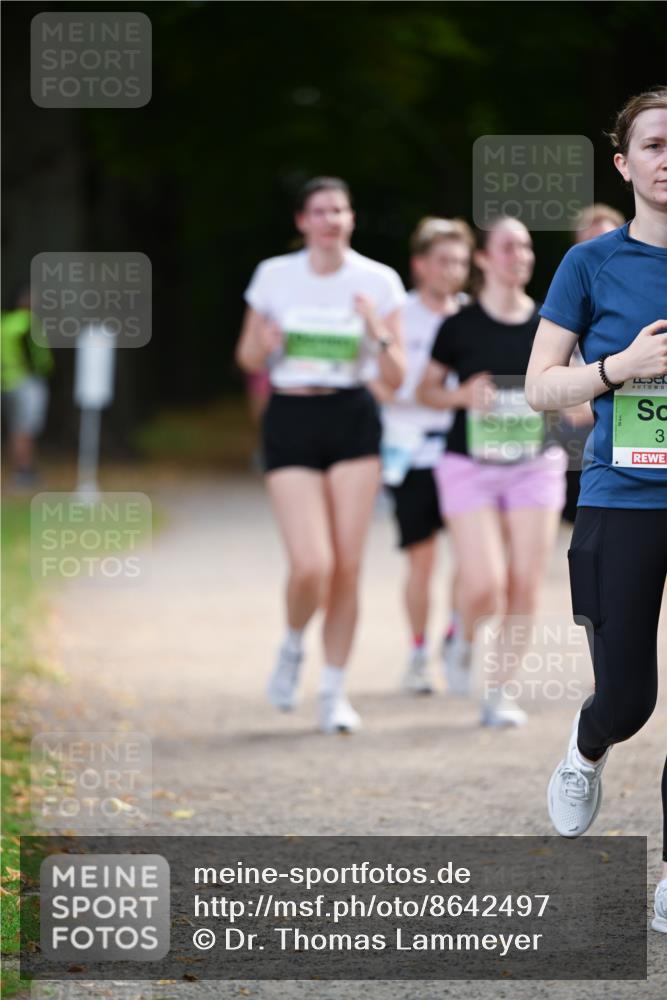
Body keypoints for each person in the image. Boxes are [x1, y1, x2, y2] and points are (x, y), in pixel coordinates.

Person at [525, 88, 667, 932]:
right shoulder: (590, 264)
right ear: (624, 163)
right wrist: (618, 368)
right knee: (628, 700)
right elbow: (540, 385)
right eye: (654, 144)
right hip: (623, 496)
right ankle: (587, 745)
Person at [235, 177, 406, 733]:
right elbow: (247, 357)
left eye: (339, 210)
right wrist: (267, 344)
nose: (330, 219)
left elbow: (396, 376)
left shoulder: (378, 281)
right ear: (302, 221)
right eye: (319, 211)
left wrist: (375, 329)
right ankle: (291, 646)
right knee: (312, 564)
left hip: (352, 416)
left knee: (347, 566)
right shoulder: (274, 276)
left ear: (351, 219)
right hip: (290, 415)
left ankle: (333, 691)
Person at [417, 216, 568, 726]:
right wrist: (461, 395)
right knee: (485, 585)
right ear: (482, 259)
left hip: (534, 465)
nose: (519, 256)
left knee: (524, 581)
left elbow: (570, 394)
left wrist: (572, 398)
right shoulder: (458, 325)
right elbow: (426, 391)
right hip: (469, 465)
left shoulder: (551, 324)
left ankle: (499, 691)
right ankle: (461, 636)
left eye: (525, 247)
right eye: (506, 247)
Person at [372, 217, 472, 694]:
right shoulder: (399, 314)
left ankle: (454, 639)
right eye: (442, 260)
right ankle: (416, 654)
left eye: (460, 261)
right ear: (420, 265)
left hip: (466, 449)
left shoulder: (473, 314)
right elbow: (374, 376)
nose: (451, 270)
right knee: (422, 560)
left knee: (472, 557)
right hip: (411, 450)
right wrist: (399, 398)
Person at [559, 204, 626, 522]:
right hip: (579, 461)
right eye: (589, 245)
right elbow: (572, 411)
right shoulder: (562, 315)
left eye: (606, 242)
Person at [1, 283, 53, 486]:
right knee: (26, 428)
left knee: (15, 429)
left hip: (7, 382)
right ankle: (25, 471)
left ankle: (19, 469)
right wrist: (45, 369)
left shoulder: (5, 323)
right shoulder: (28, 323)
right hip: (27, 382)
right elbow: (37, 356)